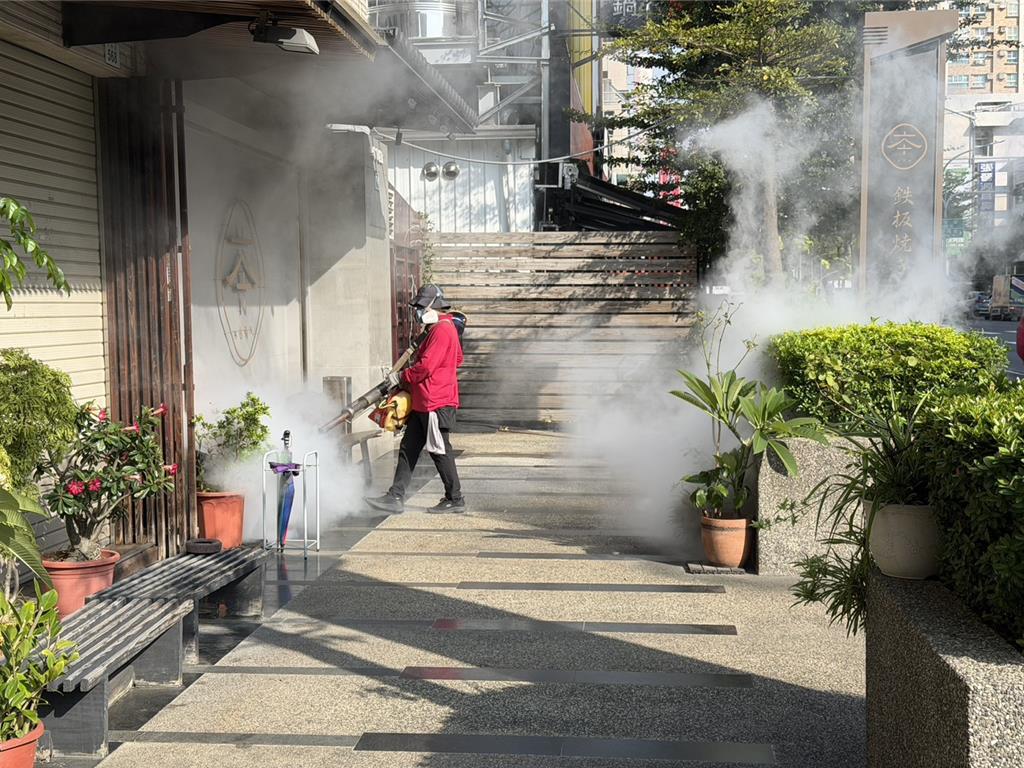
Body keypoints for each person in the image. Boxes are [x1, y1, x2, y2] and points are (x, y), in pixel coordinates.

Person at [365, 284, 465, 514]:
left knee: (439, 450)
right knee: (408, 448)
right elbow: (457, 359)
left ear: (433, 305)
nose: (418, 312)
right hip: (425, 400)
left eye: (421, 307)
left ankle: (455, 498)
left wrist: (402, 377)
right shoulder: (438, 328)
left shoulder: (441, 330)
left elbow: (426, 366)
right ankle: (395, 496)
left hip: (435, 402)